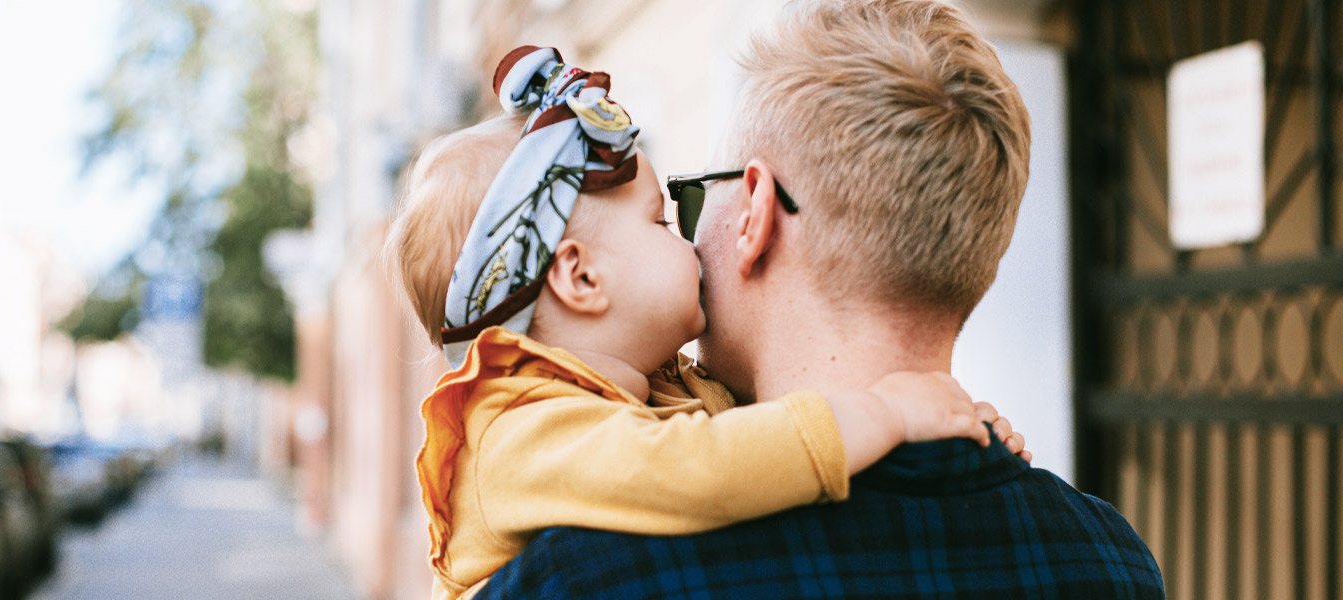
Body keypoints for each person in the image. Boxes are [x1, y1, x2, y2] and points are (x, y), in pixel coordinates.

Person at [473, 0, 1166, 598]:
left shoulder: (581, 576)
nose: (684, 241)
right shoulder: (1109, 561)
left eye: (683, 204)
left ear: (755, 213)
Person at [384, 44, 1029, 600]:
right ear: (580, 279)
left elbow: (767, 431)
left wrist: (943, 423)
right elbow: (703, 470)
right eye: (660, 221)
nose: (687, 241)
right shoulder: (519, 432)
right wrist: (887, 413)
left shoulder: (659, 389)